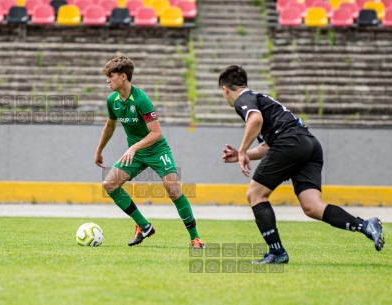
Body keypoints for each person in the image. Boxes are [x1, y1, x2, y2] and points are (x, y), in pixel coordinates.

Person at [218, 65, 384, 264]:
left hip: (290, 142)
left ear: (225, 89)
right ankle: (365, 225)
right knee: (312, 207)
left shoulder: (243, 99)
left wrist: (243, 149)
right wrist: (241, 155)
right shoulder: (260, 99)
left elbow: (255, 120)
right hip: (309, 144)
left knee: (255, 194)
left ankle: (277, 252)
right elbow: (269, 146)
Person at [95, 56, 204, 248]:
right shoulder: (112, 101)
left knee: (172, 187)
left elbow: (156, 133)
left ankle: (195, 238)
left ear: (123, 77)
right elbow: (109, 126)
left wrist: (134, 146)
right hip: (135, 152)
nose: (107, 80)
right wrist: (99, 150)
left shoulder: (141, 99)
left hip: (156, 148)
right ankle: (144, 226)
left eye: (110, 76)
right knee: (109, 184)